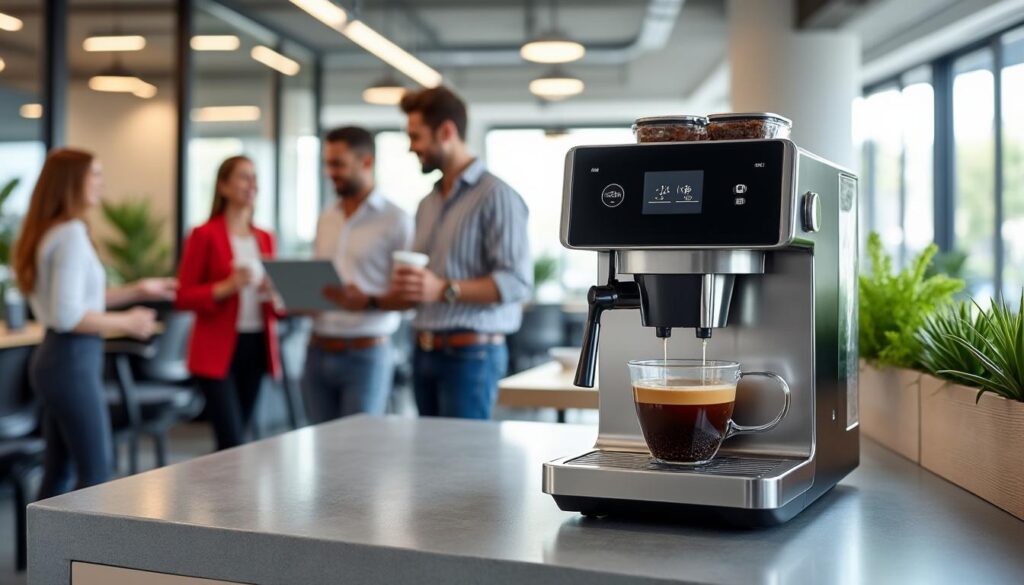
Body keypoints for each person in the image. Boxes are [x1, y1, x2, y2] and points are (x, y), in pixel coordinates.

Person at [13, 148, 176, 498]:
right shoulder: (71, 234)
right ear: (73, 182)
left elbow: (75, 304)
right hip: (70, 361)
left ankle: (40, 538)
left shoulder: (51, 231)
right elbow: (69, 315)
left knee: (59, 471)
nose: (102, 183)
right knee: (96, 470)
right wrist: (128, 322)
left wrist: (138, 289)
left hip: (58, 359)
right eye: (95, 175)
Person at [392, 86, 532, 420]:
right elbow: (425, 284)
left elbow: (516, 283)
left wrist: (442, 289)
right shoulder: (427, 203)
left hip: (472, 356)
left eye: (416, 137)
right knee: (429, 451)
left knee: (463, 455)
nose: (411, 147)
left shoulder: (496, 196)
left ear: (446, 131)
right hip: (422, 350)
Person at [302, 127, 413, 423]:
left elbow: (410, 297)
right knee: (319, 444)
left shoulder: (397, 220)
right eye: (327, 164)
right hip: (317, 349)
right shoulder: (327, 218)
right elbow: (319, 278)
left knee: (360, 447)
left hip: (366, 353)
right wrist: (303, 297)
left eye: (338, 164)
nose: (330, 172)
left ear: (366, 162)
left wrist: (368, 300)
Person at [176, 156, 281, 450]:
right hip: (216, 348)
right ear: (223, 186)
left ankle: (230, 481)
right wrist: (227, 286)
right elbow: (183, 297)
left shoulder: (265, 238)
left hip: (257, 344)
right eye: (244, 177)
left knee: (240, 441)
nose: (252, 184)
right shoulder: (203, 235)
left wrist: (274, 292)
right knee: (230, 439)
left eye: (255, 177)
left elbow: (276, 301)